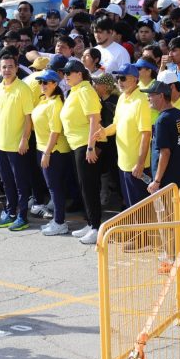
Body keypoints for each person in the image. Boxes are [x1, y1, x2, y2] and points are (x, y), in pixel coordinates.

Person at [95, 63, 152, 207]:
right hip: (123, 162)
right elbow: (116, 124)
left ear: (135, 79)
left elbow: (146, 134)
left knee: (141, 207)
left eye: (123, 78)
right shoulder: (122, 98)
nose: (119, 81)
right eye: (118, 78)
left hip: (137, 165)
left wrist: (140, 163)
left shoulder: (141, 101)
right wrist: (104, 132)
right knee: (131, 205)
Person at [0, 54, 35, 232]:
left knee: (20, 183)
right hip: (2, 144)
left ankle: (22, 217)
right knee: (7, 182)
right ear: (0, 69)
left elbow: (28, 118)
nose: (7, 70)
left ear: (16, 68)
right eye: (4, 67)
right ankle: (11, 214)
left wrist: (24, 139)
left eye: (10, 66)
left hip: (17, 145)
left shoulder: (23, 89)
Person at [61, 59, 103, 245]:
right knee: (83, 186)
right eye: (64, 73)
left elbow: (94, 118)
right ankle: (90, 222)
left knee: (89, 187)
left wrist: (91, 146)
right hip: (76, 144)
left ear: (79, 73)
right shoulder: (75, 90)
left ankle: (96, 227)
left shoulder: (86, 90)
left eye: (69, 72)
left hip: (85, 144)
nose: (65, 76)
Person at [31, 70, 71, 236]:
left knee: (55, 187)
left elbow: (55, 131)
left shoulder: (56, 103)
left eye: (46, 82)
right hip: (43, 148)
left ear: (55, 84)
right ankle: (57, 220)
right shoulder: (44, 100)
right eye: (41, 82)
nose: (42, 85)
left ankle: (60, 222)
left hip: (54, 150)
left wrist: (47, 153)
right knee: (52, 186)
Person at [142, 81, 180, 192]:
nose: (148, 98)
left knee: (169, 205)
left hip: (168, 183)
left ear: (161, 96)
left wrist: (157, 181)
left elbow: (165, 152)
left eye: (150, 95)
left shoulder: (162, 120)